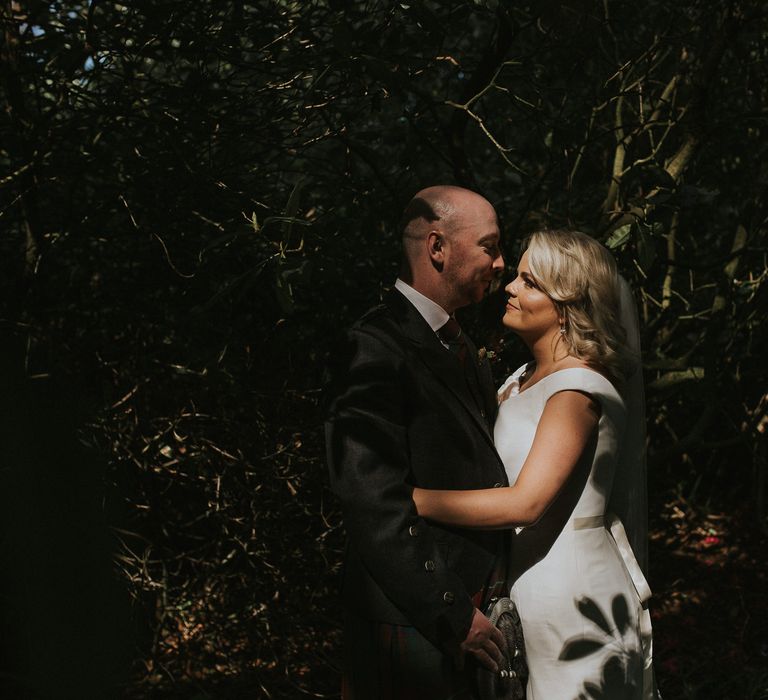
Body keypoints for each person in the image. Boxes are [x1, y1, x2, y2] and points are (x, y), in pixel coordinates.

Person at [412, 229, 658, 699]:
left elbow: (526, 503)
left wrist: (412, 499)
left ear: (566, 305)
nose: (510, 287)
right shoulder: (521, 379)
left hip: (572, 592)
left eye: (529, 282)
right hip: (528, 583)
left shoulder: (576, 390)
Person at [325, 185, 511, 698]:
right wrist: (452, 612)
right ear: (437, 248)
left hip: (467, 610)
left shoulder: (459, 343)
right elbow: (372, 499)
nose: (501, 264)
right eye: (490, 247)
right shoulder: (373, 346)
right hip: (414, 616)